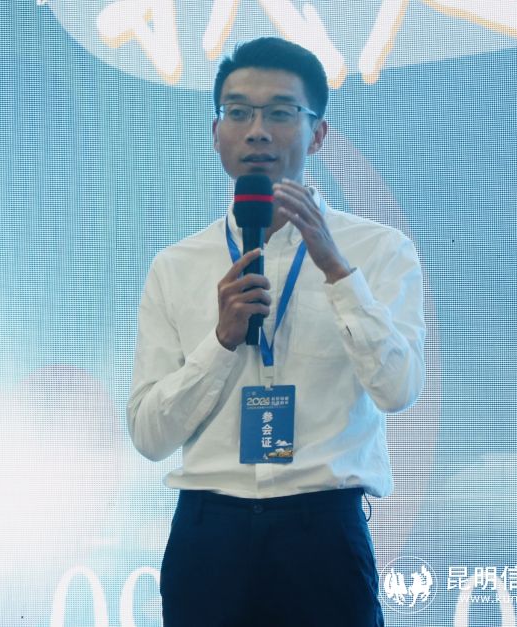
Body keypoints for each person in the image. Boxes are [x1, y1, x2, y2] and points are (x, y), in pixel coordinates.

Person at [127, 37, 425, 627]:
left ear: (318, 134)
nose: (257, 132)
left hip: (324, 532)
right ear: (216, 134)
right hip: (209, 534)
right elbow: (149, 435)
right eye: (238, 112)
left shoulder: (378, 251)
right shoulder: (176, 265)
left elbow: (399, 390)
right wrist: (220, 342)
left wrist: (337, 271)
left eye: (281, 113)